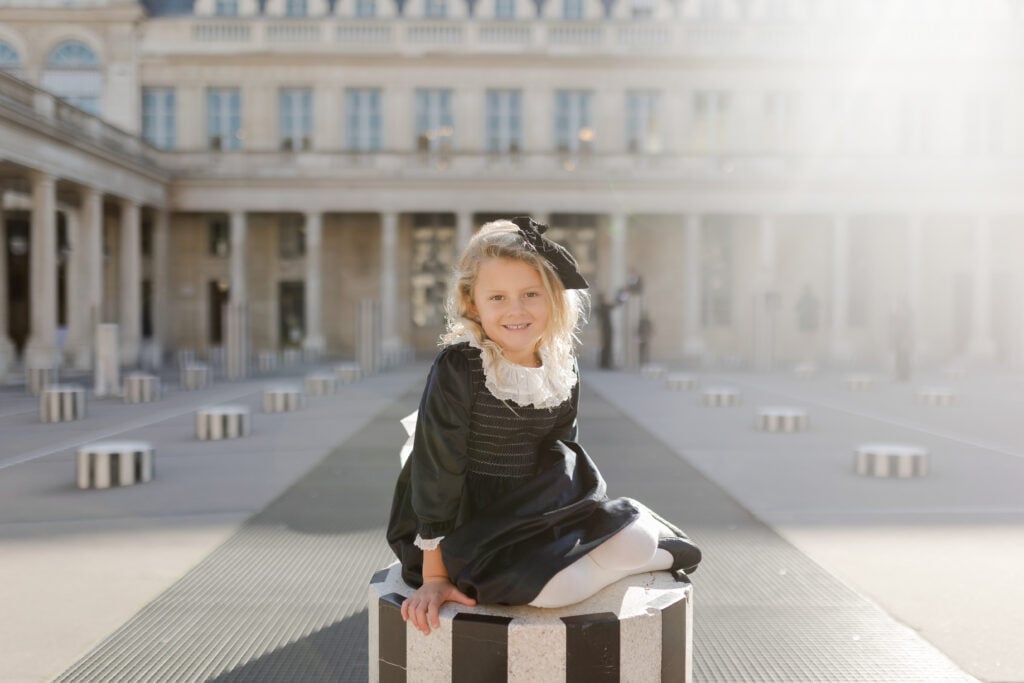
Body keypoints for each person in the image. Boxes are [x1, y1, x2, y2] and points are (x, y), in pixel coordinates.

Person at [387, 217, 701, 636]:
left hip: (535, 507)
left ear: (554, 298)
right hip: (466, 520)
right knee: (555, 591)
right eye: (497, 297)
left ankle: (632, 549)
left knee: (635, 540)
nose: (516, 310)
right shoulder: (461, 365)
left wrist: (571, 520)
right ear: (473, 304)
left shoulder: (559, 363)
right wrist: (435, 576)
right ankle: (625, 559)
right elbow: (437, 469)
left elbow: (563, 448)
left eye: (531, 294)